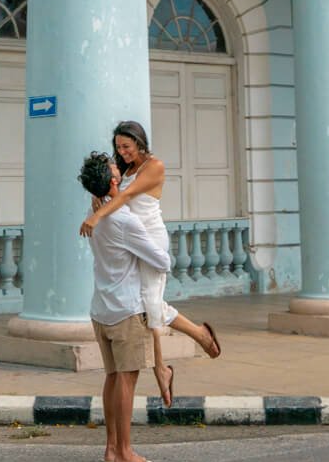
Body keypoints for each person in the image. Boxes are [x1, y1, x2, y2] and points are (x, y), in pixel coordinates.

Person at [79, 118, 222, 407]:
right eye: (119, 147)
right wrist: (99, 198)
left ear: (140, 143)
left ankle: (169, 362)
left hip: (150, 238)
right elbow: (116, 192)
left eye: (127, 146)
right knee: (146, 305)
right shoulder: (123, 169)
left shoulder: (154, 166)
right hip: (130, 235)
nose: (123, 152)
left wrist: (98, 214)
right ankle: (176, 354)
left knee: (151, 304)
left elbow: (128, 195)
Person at [78, 150, 170, 462]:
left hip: (101, 309)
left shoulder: (97, 214)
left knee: (112, 378)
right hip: (126, 311)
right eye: (116, 167)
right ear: (115, 181)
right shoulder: (124, 221)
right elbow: (162, 262)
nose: (120, 166)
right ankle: (125, 455)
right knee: (127, 382)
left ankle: (111, 447)